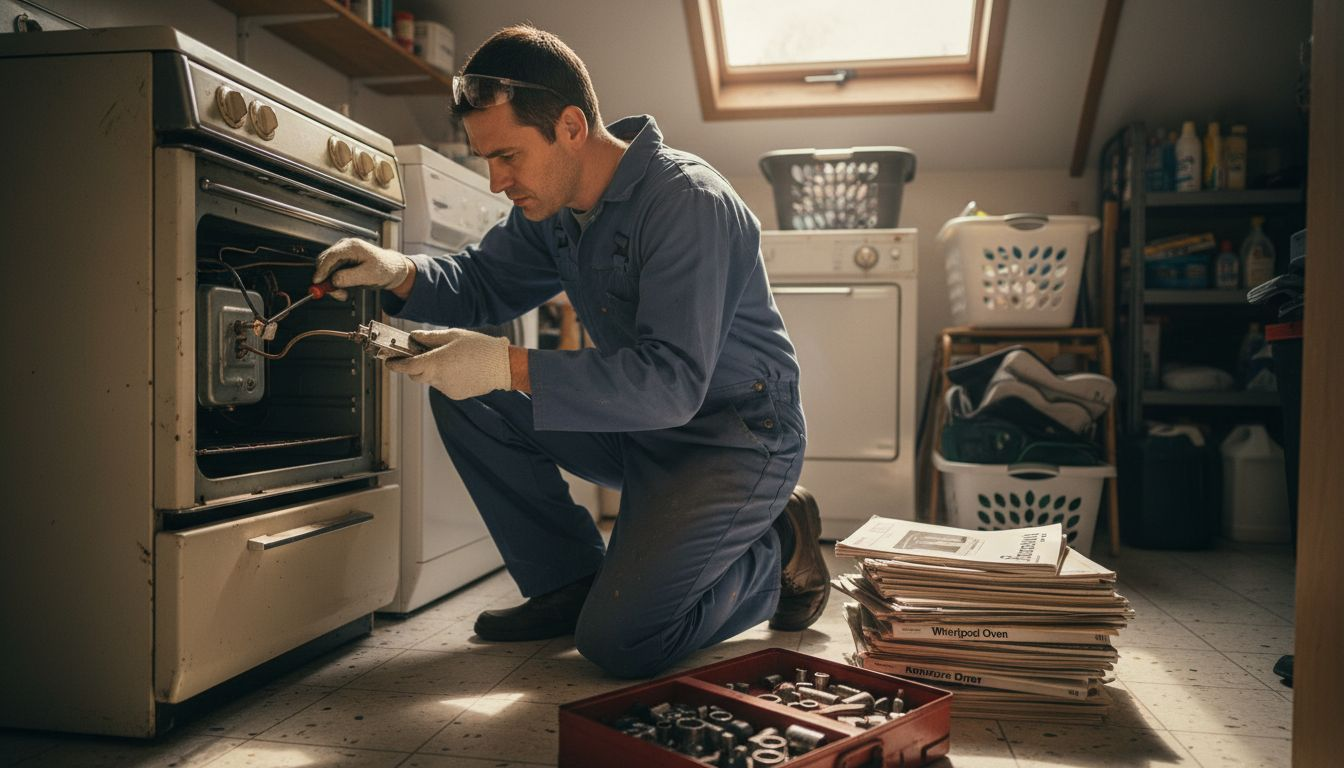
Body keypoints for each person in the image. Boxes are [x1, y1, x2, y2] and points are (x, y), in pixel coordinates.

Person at [312, 24, 827, 678]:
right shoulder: (557, 210)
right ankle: (570, 581)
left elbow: (671, 384)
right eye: (487, 161)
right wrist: (396, 271)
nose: (498, 182)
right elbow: (481, 282)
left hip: (732, 440)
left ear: (572, 127)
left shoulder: (687, 203)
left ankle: (781, 547)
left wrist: (505, 363)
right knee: (471, 399)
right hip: (642, 429)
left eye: (508, 157)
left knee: (621, 643)